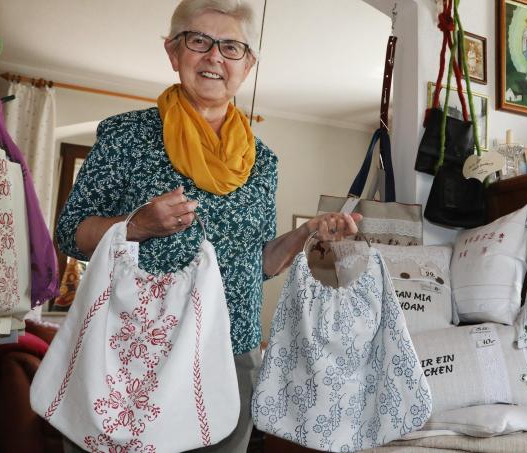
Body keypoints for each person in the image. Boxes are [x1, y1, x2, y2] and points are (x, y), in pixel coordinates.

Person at [55, 0, 361, 451]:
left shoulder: (262, 162)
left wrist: (306, 234)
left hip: (231, 352)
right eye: (199, 40)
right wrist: (136, 225)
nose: (215, 55)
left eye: (231, 47)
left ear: (248, 65)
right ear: (173, 52)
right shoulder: (127, 135)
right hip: (135, 349)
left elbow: (258, 264)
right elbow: (69, 233)